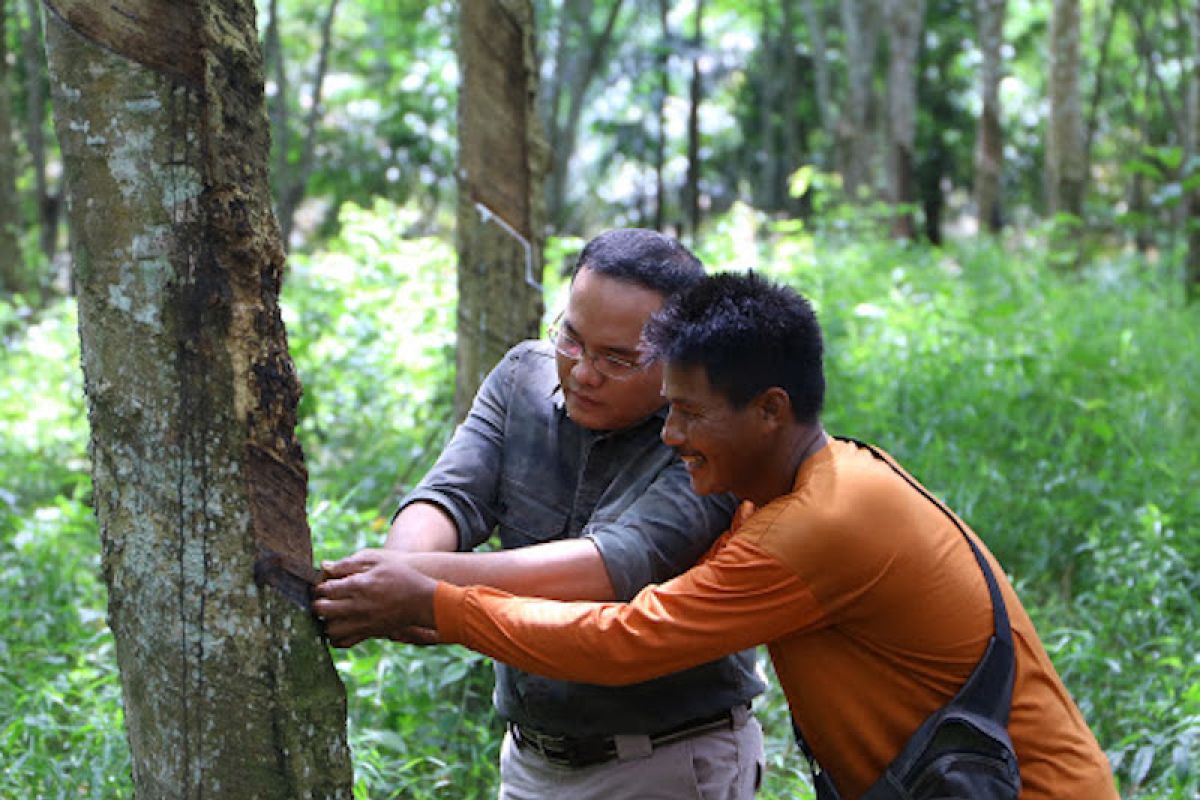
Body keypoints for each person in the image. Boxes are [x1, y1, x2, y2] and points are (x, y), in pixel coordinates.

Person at [317, 272, 1119, 799]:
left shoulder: (820, 524)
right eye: (668, 408)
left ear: (770, 410)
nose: (670, 435)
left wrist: (436, 598)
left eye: (691, 413)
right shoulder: (797, 490)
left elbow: (624, 639)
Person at [317, 229, 766, 799]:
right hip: (532, 760)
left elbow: (615, 566)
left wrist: (423, 592)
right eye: (572, 340)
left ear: (681, 360)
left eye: (617, 359)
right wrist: (398, 569)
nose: (582, 372)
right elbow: (449, 496)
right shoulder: (520, 378)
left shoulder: (711, 436)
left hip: (669, 762)